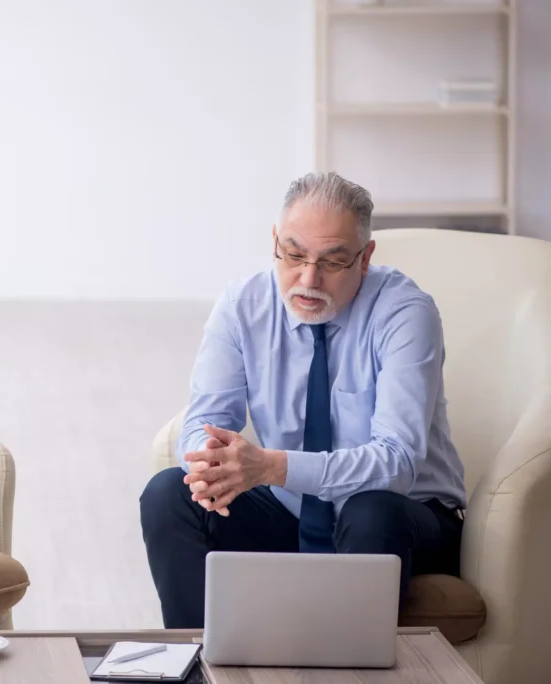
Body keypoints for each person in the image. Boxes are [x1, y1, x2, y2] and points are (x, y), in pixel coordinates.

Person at [139, 171, 467, 629]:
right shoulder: (243, 304)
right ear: (275, 241)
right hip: (290, 513)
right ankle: (201, 670)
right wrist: (210, 460)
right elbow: (204, 420)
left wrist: (272, 467)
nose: (307, 279)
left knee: (369, 510)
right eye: (293, 255)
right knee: (168, 494)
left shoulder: (405, 313)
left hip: (407, 516)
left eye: (332, 262)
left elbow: (397, 463)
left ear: (365, 256)